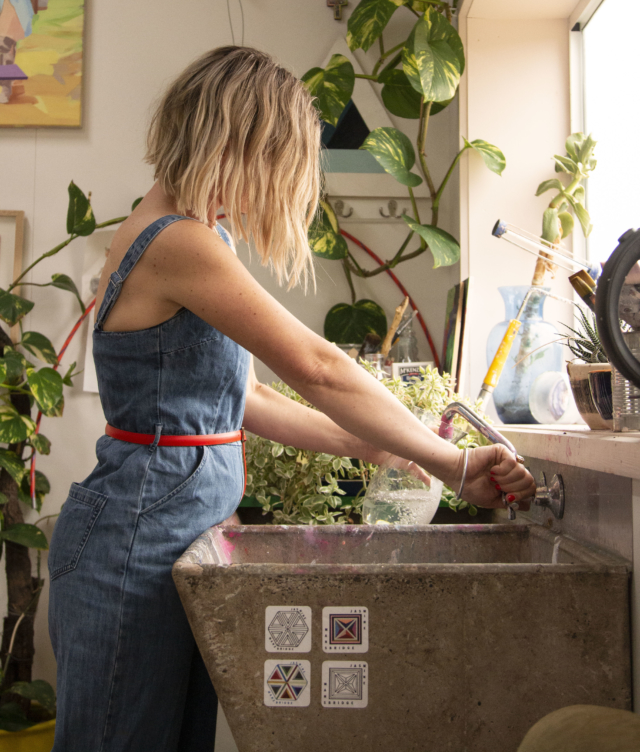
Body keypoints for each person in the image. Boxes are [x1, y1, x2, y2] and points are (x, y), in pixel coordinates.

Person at [47, 46, 535, 752]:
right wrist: (453, 463)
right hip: (131, 539)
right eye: (282, 160)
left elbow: (238, 399)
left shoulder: (200, 233)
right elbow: (318, 366)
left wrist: (365, 442)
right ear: (243, 142)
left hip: (167, 531)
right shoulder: (178, 240)